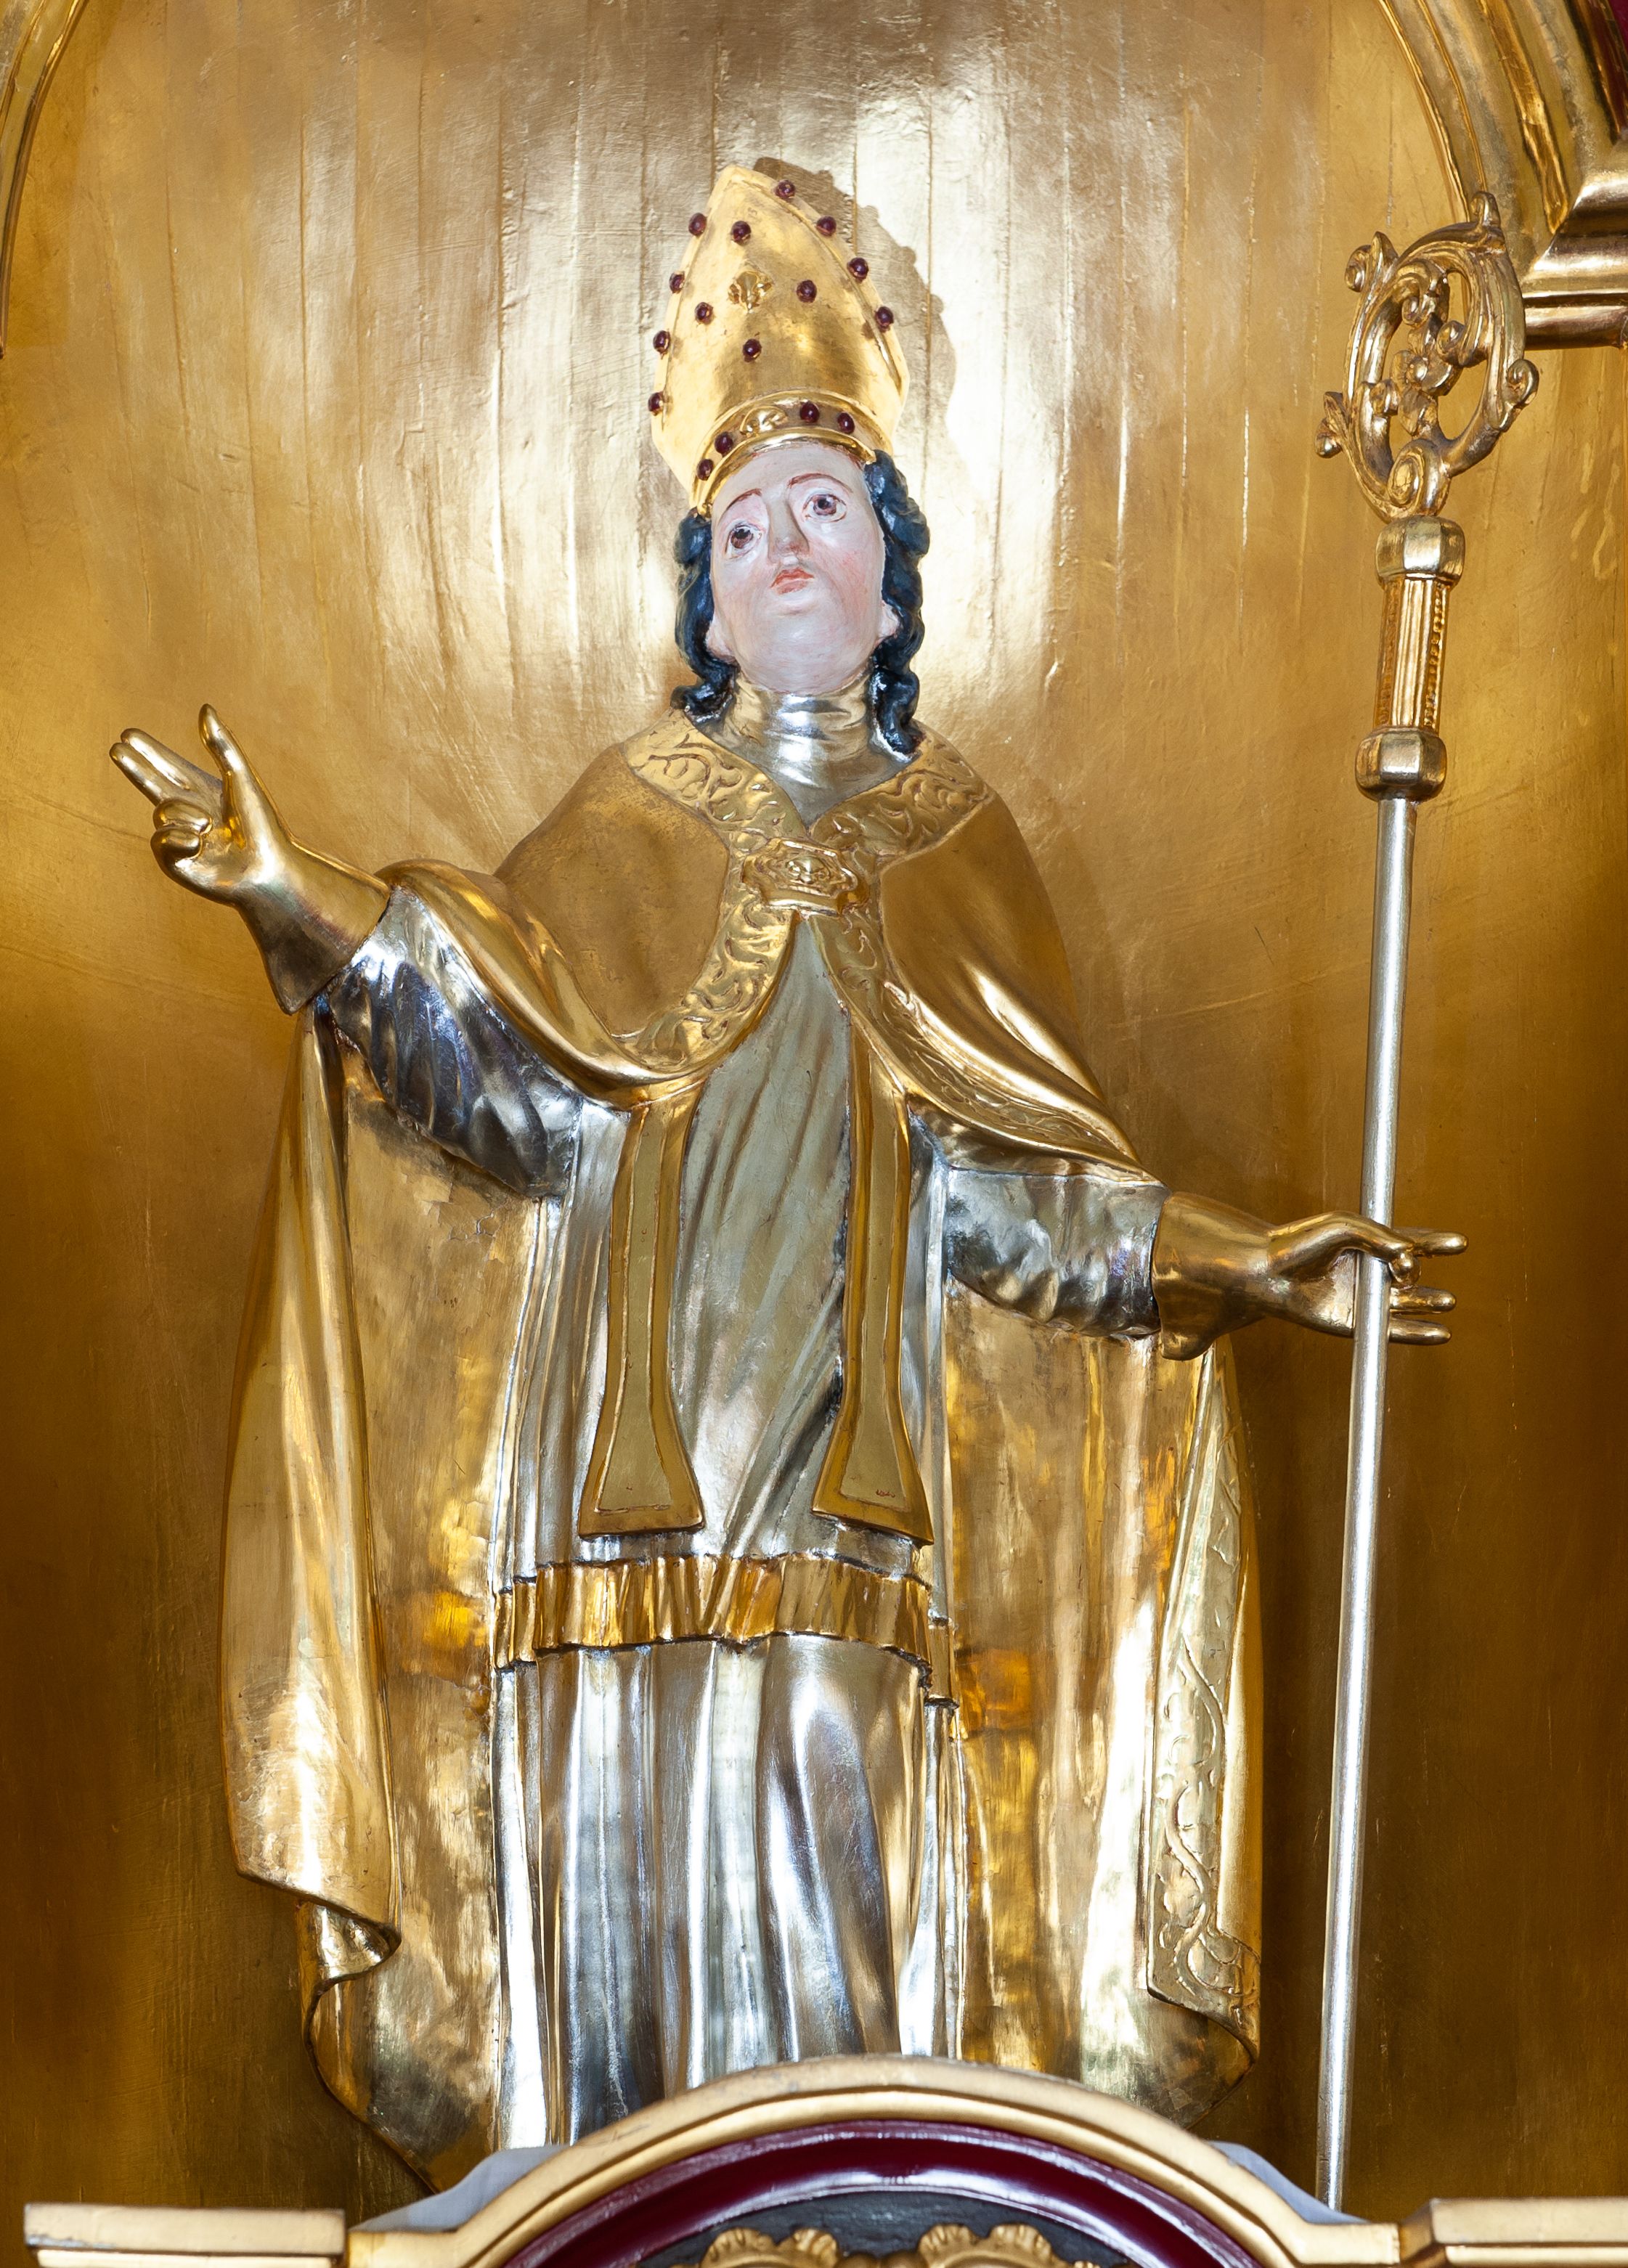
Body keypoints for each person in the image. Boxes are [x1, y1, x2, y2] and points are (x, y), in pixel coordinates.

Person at [110, 166, 1458, 2186]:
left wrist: (1243, 1259)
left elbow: (1016, 1206)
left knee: (847, 1898)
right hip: (620, 1533)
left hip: (859, 1527)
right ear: (705, 594)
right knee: (624, 1933)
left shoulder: (958, 849)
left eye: (823, 505)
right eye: (742, 526)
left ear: (893, 565)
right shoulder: (620, 824)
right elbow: (498, 1087)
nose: (785, 548)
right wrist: (286, 896)